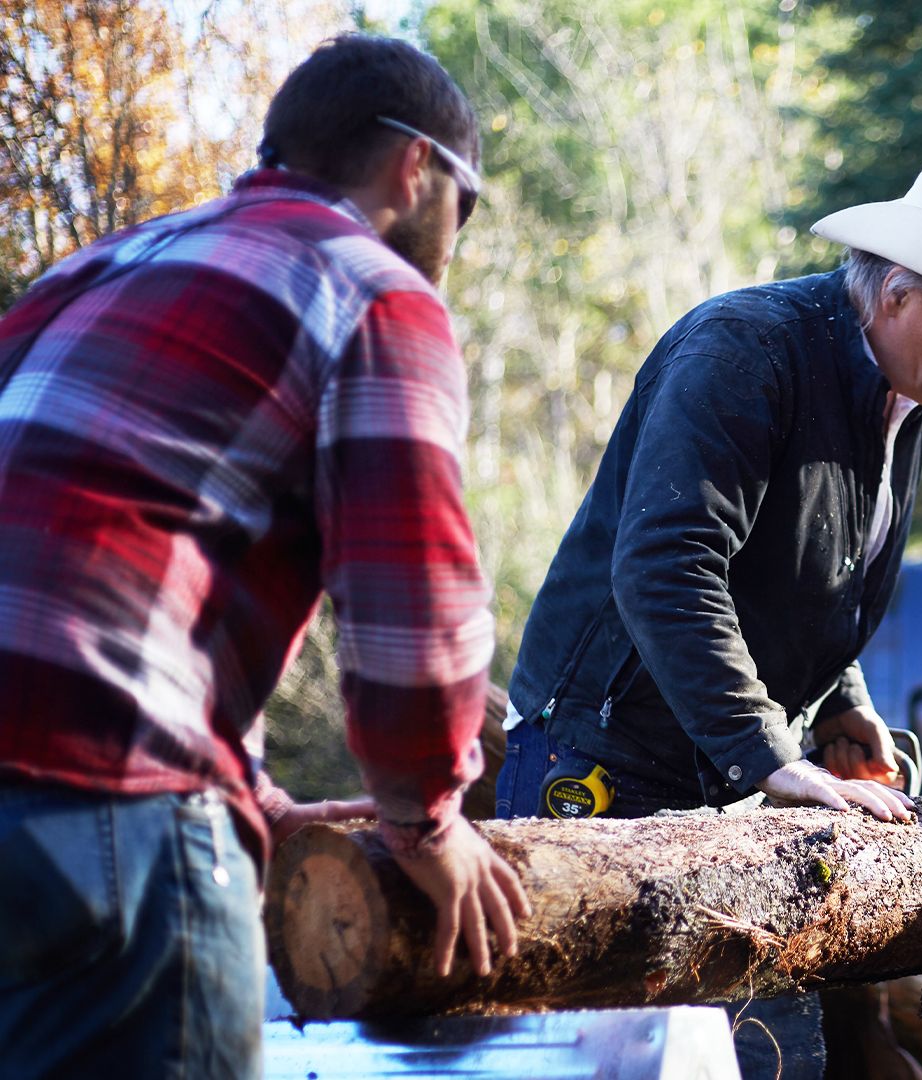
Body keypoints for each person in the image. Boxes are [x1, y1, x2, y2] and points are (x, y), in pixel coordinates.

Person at [0, 35, 528, 1078]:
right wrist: (428, 820)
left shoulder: (92, 270)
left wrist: (260, 801)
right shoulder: (372, 289)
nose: (451, 251)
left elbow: (112, 571)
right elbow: (408, 592)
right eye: (462, 215)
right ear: (416, 170)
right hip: (108, 809)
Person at [497, 166, 922, 1078]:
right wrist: (770, 755)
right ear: (898, 292)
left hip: (718, 765)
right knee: (627, 1062)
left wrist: (839, 701)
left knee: (774, 1056)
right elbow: (668, 564)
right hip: (601, 758)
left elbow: (813, 576)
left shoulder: (897, 389)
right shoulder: (745, 349)